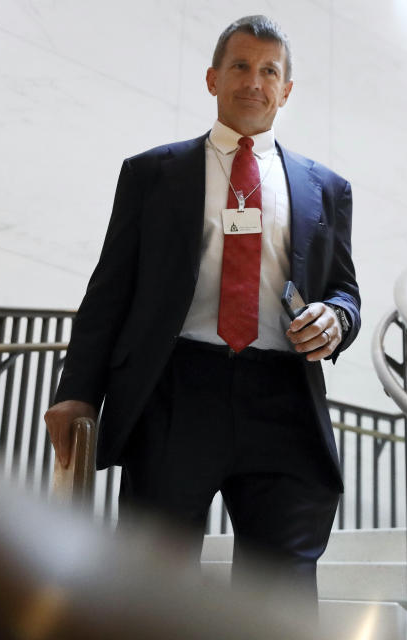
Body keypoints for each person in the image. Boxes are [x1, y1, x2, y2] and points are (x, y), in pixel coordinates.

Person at [44, 15, 360, 603]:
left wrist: (337, 319)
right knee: (154, 586)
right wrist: (77, 388)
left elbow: (345, 290)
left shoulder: (327, 189)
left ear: (286, 90)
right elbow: (110, 287)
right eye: (240, 66)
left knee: (282, 591)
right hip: (175, 391)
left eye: (270, 71)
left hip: (284, 398)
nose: (254, 81)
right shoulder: (151, 173)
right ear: (212, 78)